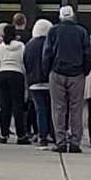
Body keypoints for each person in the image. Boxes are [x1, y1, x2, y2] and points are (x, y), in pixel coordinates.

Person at [42, 6, 91, 153]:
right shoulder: (81, 31)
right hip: (77, 74)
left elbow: (47, 53)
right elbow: (88, 54)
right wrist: (85, 71)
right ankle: (75, 142)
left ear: (60, 17)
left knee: (58, 109)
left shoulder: (53, 31)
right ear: (73, 16)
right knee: (76, 109)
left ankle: (60, 141)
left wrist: (48, 71)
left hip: (57, 72)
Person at [0, 23, 29, 144]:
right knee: (18, 105)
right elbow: (25, 62)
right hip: (17, 74)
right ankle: (21, 135)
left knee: (4, 105)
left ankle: (3, 134)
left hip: (3, 75)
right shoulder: (22, 46)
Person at [24, 19, 54, 148]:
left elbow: (25, 62)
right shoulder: (51, 44)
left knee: (40, 110)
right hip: (50, 81)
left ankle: (42, 135)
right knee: (53, 110)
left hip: (34, 82)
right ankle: (53, 133)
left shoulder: (29, 45)